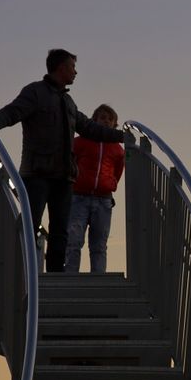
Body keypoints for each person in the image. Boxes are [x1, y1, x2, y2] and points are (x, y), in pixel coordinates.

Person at [0, 49, 124, 272]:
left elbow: (88, 127)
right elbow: (12, 113)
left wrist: (121, 136)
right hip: (37, 175)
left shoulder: (67, 101)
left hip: (63, 178)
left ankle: (56, 276)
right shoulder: (35, 93)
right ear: (61, 68)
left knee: (60, 231)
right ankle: (25, 274)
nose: (75, 72)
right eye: (72, 67)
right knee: (31, 226)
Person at [64, 104, 125, 274]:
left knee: (99, 244)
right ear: (94, 120)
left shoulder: (117, 149)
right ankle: (70, 276)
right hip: (79, 197)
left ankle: (98, 277)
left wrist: (111, 184)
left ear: (115, 124)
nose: (105, 121)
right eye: (102, 118)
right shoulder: (81, 142)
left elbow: (118, 170)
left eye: (109, 119)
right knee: (74, 240)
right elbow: (70, 162)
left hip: (103, 199)